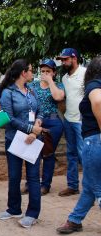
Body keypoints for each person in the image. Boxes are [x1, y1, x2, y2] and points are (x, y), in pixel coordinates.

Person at [56, 56, 101, 236]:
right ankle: (75, 219)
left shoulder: (94, 85)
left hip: (95, 140)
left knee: (98, 187)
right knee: (90, 185)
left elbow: (97, 102)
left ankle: (75, 220)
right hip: (94, 140)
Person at [0, 59, 43, 228]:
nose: (33, 73)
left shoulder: (32, 91)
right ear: (23, 73)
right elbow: (8, 118)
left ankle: (32, 213)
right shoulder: (8, 93)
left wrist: (36, 125)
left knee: (33, 177)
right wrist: (30, 128)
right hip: (15, 139)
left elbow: (40, 111)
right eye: (31, 70)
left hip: (33, 139)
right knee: (14, 176)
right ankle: (14, 208)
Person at [23, 59, 65, 195]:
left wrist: (50, 82)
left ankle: (45, 185)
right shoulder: (33, 85)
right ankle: (30, 183)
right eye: (43, 71)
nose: (45, 74)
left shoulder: (59, 85)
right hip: (35, 122)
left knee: (48, 153)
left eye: (48, 71)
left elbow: (58, 97)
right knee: (32, 153)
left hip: (53, 122)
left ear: (53, 73)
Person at [56, 48, 86, 197]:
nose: (63, 62)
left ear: (74, 58)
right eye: (61, 60)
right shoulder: (64, 79)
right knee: (71, 154)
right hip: (68, 119)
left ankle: (90, 190)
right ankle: (73, 186)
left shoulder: (86, 73)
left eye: (65, 59)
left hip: (82, 122)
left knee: (84, 155)